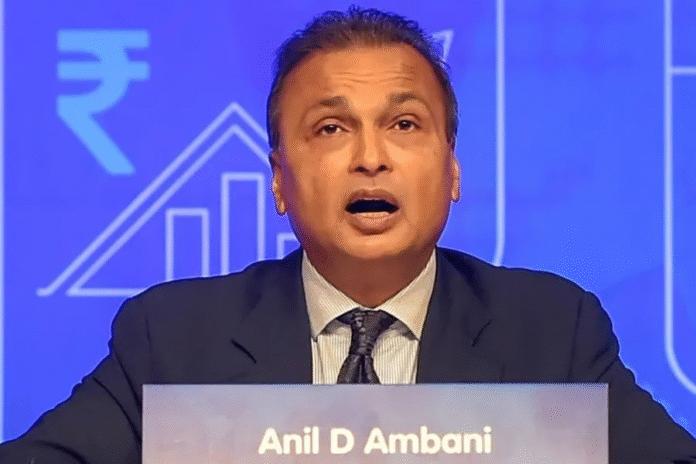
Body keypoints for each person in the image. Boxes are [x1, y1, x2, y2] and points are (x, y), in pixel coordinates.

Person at [2, 6, 696, 463]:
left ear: (453, 169)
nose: (371, 157)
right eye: (332, 128)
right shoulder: (175, 337)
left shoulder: (551, 331)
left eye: (404, 124)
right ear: (279, 179)